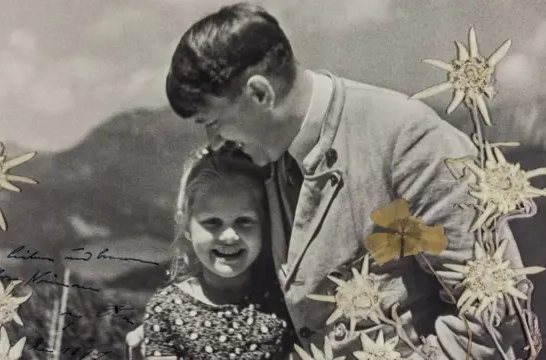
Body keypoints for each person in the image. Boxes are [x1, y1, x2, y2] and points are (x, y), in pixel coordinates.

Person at [129, 2, 530, 359]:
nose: (213, 142)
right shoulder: (260, 155)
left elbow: (496, 312)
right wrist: (179, 324)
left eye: (213, 121)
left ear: (259, 93)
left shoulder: (406, 141)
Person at [137, 145, 297, 360]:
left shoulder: (283, 302)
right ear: (187, 227)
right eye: (212, 222)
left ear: (264, 227)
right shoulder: (166, 310)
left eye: (244, 221)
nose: (229, 236)